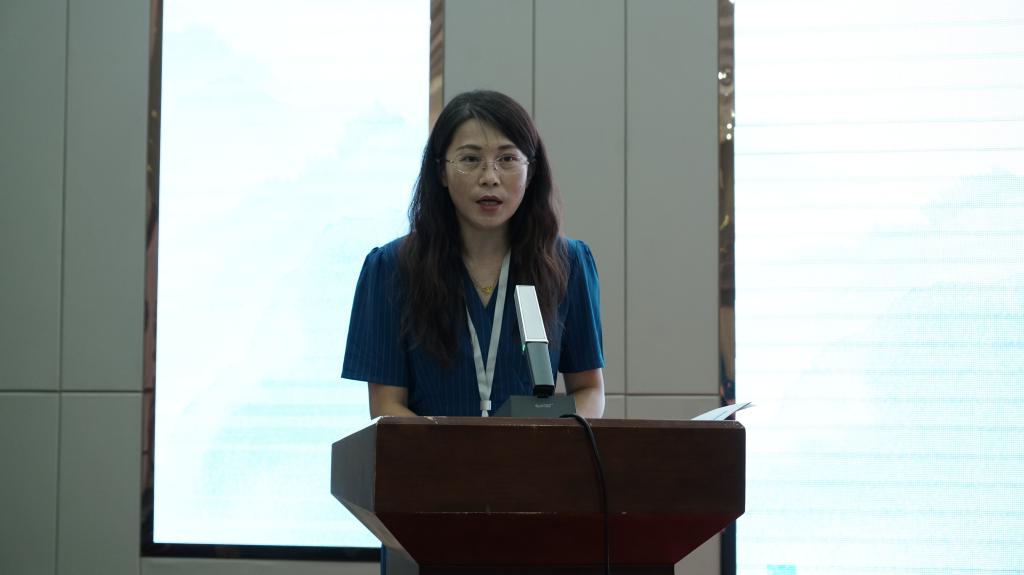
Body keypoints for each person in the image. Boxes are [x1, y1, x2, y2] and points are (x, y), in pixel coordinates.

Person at [341, 89, 605, 419]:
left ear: (531, 170)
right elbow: (386, 405)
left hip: (534, 453)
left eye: (507, 159)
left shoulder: (569, 262)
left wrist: (549, 440)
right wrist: (457, 448)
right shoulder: (391, 267)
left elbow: (589, 389)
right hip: (432, 453)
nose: (489, 178)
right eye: (470, 159)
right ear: (441, 171)